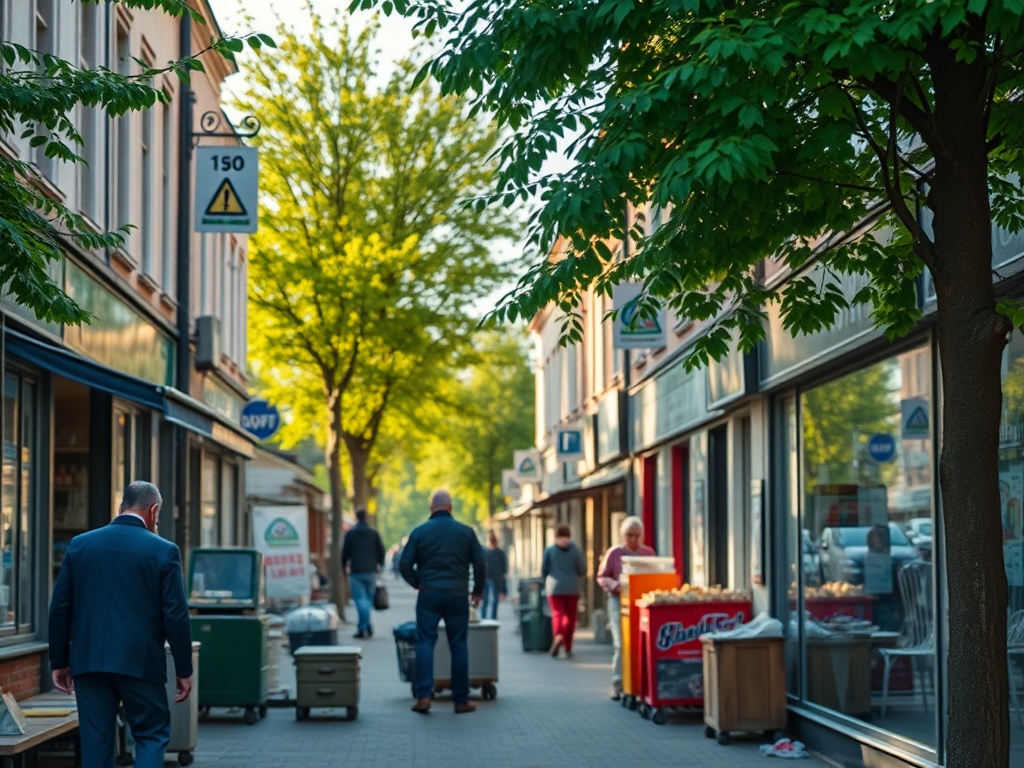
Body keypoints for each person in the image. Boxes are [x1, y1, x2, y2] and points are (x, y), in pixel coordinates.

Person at [48, 481, 193, 768]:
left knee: (96, 742)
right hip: (140, 662)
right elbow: (176, 615)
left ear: (120, 507)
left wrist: (60, 661)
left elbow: (60, 608)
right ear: (153, 511)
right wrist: (184, 669)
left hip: (89, 661)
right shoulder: (164, 551)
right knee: (151, 735)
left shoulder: (80, 545)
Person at [399, 489, 486, 714]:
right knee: (458, 645)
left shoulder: (419, 532)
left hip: (429, 595)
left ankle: (425, 696)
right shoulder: (466, 532)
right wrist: (476, 591)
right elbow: (480, 563)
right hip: (457, 595)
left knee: (425, 643)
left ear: (431, 508)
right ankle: (461, 700)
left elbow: (404, 564)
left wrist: (419, 583)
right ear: (451, 507)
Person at [596, 515, 655, 701]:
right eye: (630, 535)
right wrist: (615, 585)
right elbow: (602, 577)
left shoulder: (648, 553)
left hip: (642, 603)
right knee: (621, 644)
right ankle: (618, 682)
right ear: (623, 535)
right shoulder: (614, 554)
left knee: (641, 643)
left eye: (637, 535)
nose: (633, 539)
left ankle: (639, 682)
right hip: (618, 602)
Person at [341, 507, 386, 639]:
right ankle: (366, 626)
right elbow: (381, 551)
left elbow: (345, 553)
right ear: (366, 517)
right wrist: (379, 565)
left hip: (356, 571)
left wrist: (344, 567)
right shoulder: (373, 533)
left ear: (356, 517)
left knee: (361, 601)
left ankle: (363, 627)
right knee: (367, 601)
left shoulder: (350, 534)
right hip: (371, 571)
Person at [542, 524, 586, 658]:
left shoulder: (549, 551)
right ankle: (568, 647)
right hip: (572, 588)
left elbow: (544, 570)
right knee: (570, 618)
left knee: (557, 614)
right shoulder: (576, 550)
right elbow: (582, 570)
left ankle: (558, 635)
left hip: (554, 588)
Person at [482, 530, 508, 620]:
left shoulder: (499, 553)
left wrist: (504, 589)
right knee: (486, 600)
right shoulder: (484, 552)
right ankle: (484, 618)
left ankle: (492, 619)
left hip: (495, 580)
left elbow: (503, 570)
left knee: (493, 601)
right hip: (486, 579)